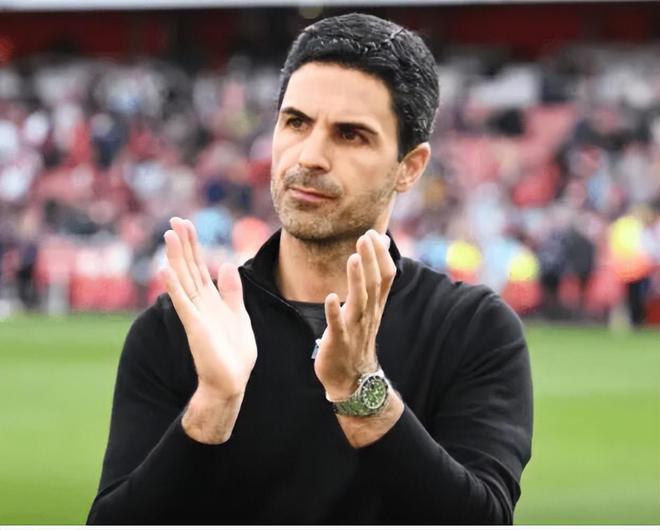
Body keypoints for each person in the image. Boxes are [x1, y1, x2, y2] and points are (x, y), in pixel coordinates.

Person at [87, 13, 532, 524]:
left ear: (409, 167)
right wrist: (212, 406)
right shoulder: (179, 328)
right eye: (296, 122)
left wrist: (361, 392)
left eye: (350, 134)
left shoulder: (471, 330)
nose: (311, 156)